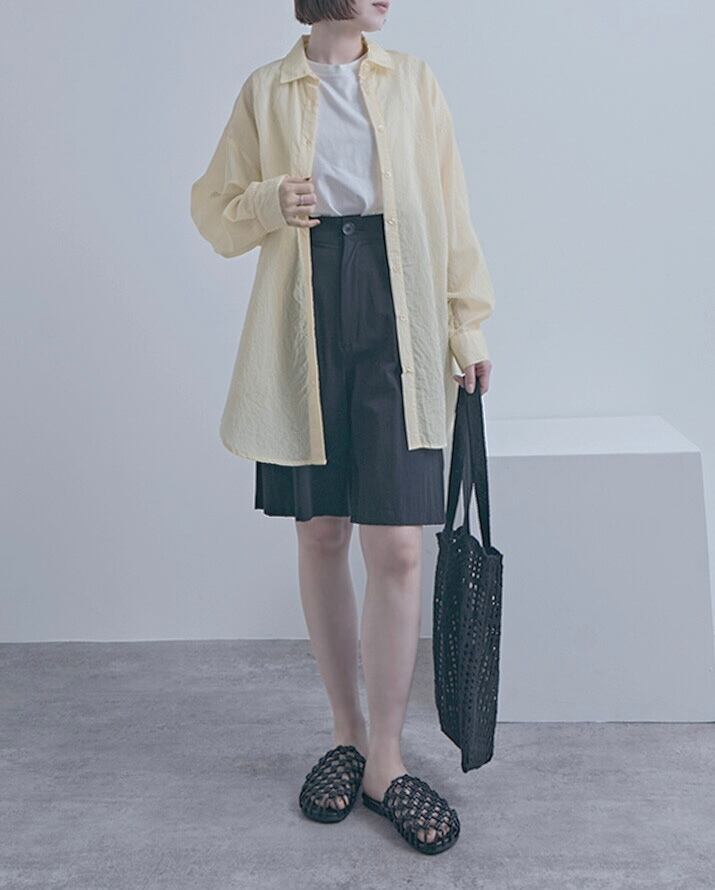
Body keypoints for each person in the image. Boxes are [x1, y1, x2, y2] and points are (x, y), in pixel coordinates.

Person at [190, 0, 495, 855]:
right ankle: (346, 735)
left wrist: (466, 328)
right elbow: (213, 211)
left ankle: (386, 760)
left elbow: (449, 210)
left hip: (403, 311)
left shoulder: (415, 84)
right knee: (321, 531)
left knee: (396, 546)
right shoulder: (267, 90)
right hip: (304, 311)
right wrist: (266, 200)